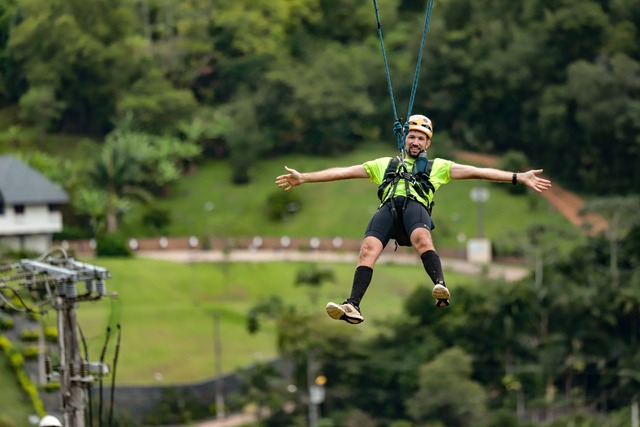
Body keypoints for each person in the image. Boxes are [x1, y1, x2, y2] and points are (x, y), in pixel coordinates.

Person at [275, 114, 552, 324]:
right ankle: (353, 305)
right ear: (404, 139)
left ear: (428, 143)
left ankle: (440, 284)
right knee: (367, 249)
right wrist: (304, 178)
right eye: (412, 136)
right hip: (389, 210)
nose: (416, 141)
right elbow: (342, 171)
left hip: (415, 210)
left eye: (421, 138)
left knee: (422, 237)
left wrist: (518, 177)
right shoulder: (384, 164)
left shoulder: (437, 167)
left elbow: (478, 171)